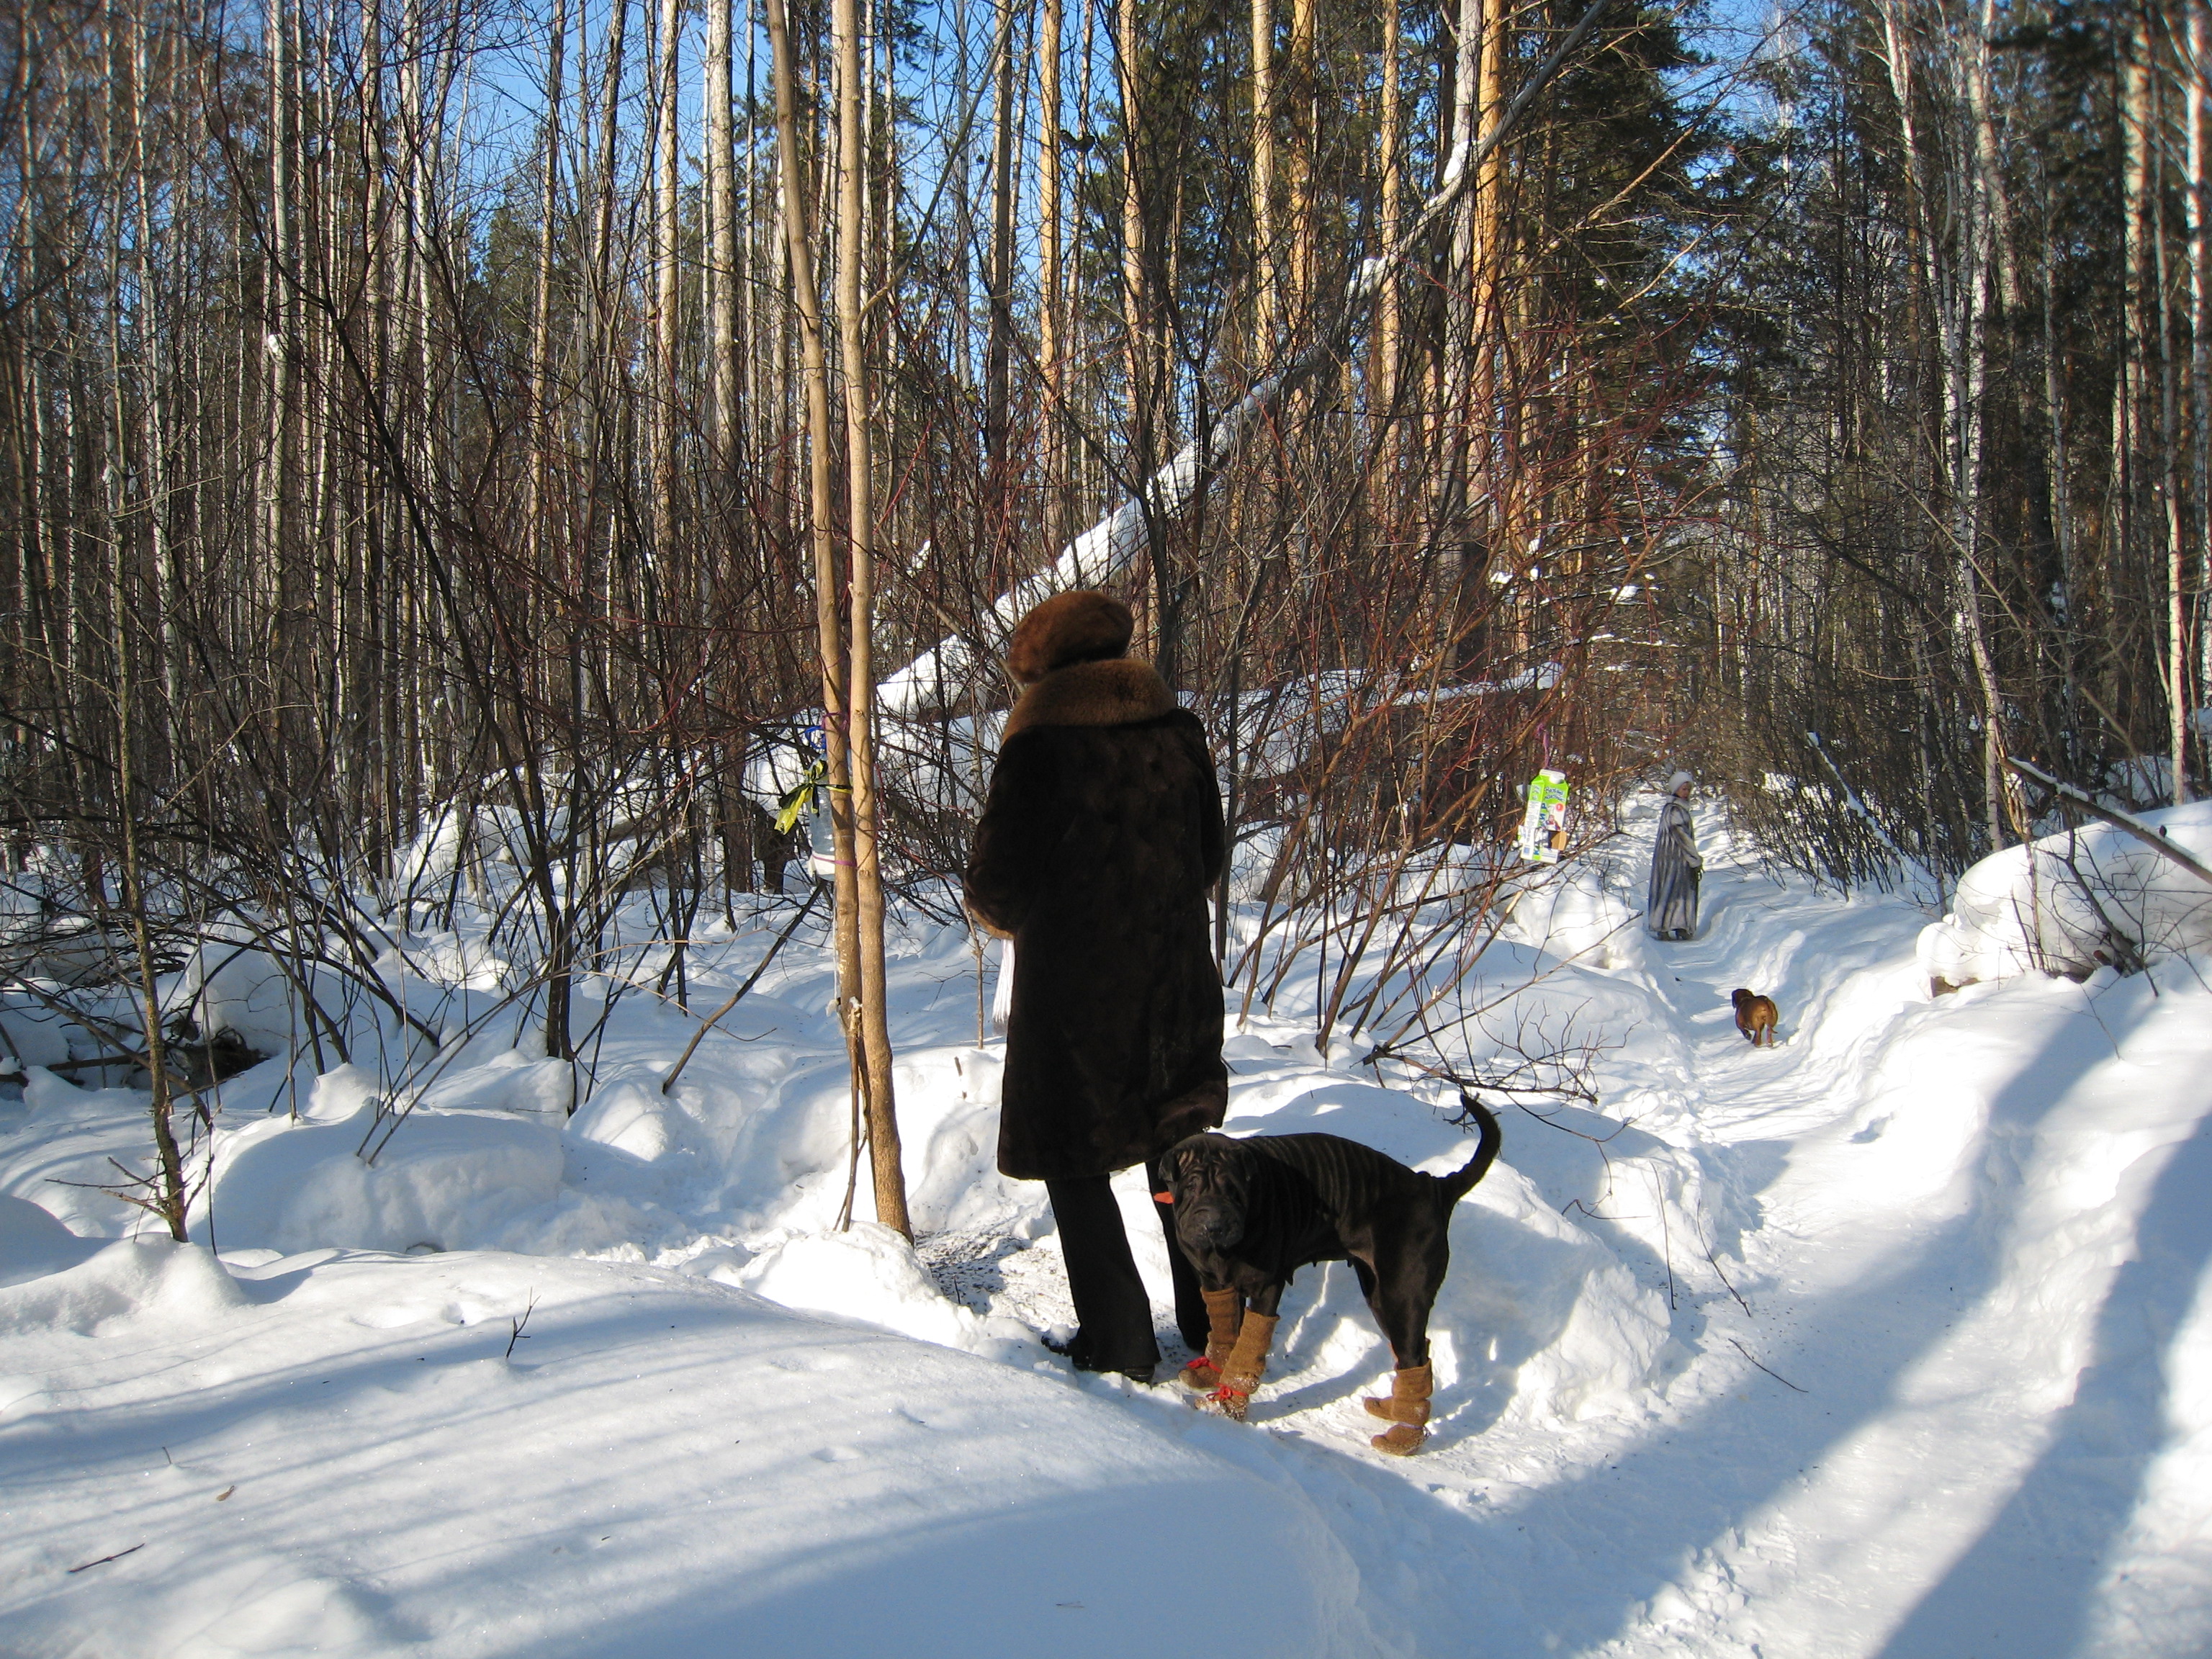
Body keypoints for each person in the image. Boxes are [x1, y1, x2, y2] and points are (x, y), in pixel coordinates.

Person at [964, 590, 1224, 1382]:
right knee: (1178, 1149)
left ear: (1039, 668)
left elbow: (996, 892)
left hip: (1077, 1004)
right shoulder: (1180, 736)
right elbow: (1209, 861)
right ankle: (1215, 1323)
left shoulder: (1037, 751)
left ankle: (1119, 1341)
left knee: (1075, 1161)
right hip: (1176, 984)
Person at [1647, 770, 1702, 940]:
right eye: (1684, 789)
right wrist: (1695, 859)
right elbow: (1682, 837)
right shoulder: (1675, 811)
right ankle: (1665, 926)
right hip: (1674, 859)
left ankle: (1678, 926)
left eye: (1688, 789)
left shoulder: (1676, 808)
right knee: (1673, 891)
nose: (1687, 792)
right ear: (1675, 789)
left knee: (1676, 891)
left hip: (1675, 858)